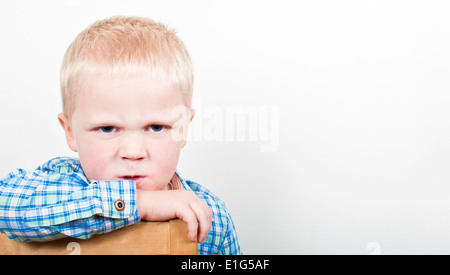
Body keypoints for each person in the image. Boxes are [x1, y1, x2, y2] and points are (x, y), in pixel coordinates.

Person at [0, 16, 241, 255]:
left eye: (156, 127)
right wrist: (141, 203)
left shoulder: (209, 217)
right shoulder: (59, 182)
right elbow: (6, 205)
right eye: (107, 128)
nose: (133, 152)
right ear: (70, 132)